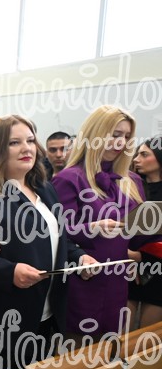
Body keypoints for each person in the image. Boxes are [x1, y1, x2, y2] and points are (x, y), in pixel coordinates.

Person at [0, 115, 93, 369]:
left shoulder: (45, 189)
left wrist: (78, 256)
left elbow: (58, 238)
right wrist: (9, 272)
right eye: (14, 142)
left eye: (30, 140)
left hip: (47, 312)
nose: (26, 148)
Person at [52, 105, 157, 339]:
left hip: (117, 283)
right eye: (115, 134)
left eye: (126, 137)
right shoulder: (69, 179)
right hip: (82, 281)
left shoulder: (131, 181)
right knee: (80, 351)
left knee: (112, 351)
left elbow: (138, 237)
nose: (120, 142)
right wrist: (92, 228)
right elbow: (57, 234)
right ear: (95, 134)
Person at [128, 136, 162, 329]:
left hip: (158, 267)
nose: (136, 159)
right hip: (127, 265)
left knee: (148, 336)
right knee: (121, 334)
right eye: (137, 154)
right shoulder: (130, 187)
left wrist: (143, 255)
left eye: (144, 154)